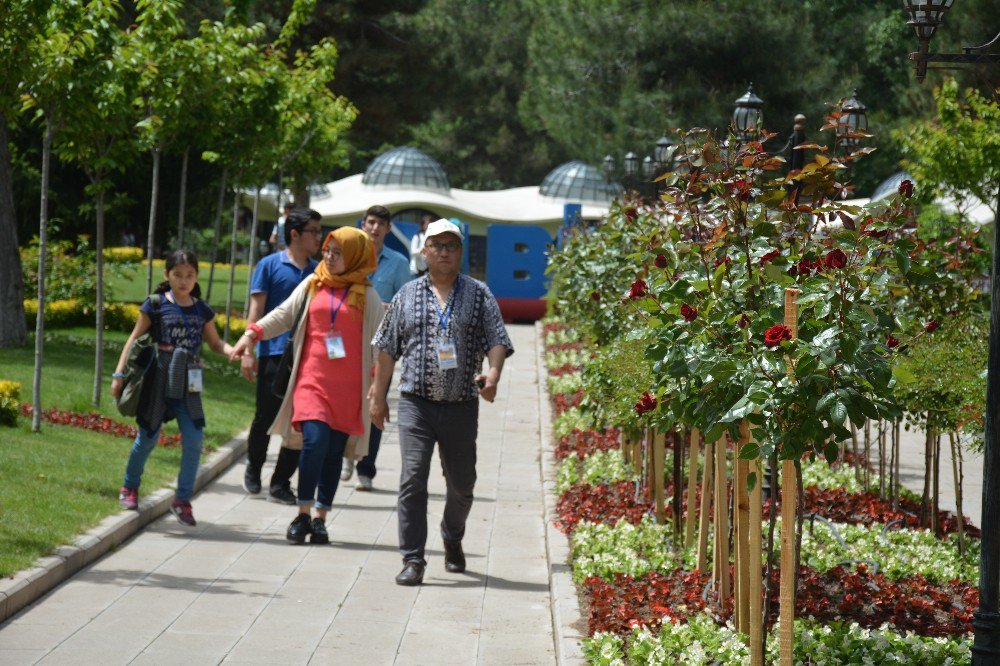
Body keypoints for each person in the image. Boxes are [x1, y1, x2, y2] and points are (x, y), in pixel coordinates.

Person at [370, 219, 514, 585]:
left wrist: (493, 376)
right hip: (416, 404)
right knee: (413, 479)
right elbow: (386, 348)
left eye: (452, 245)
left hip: (462, 404)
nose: (445, 251)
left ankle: (452, 535)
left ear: (461, 252)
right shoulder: (407, 294)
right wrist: (377, 397)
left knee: (462, 484)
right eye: (438, 245)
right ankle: (413, 559)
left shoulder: (479, 294)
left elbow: (497, 338)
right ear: (425, 251)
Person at [231, 227, 384, 545]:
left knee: (332, 452)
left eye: (337, 251)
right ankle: (302, 514)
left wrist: (377, 386)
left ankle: (320, 518)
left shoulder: (367, 295)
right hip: (311, 382)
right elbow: (283, 314)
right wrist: (251, 334)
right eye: (327, 249)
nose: (328, 255)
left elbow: (380, 343)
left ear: (354, 255)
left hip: (348, 390)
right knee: (313, 442)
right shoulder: (313, 284)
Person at [112, 250, 235, 527]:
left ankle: (182, 500)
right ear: (166, 275)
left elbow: (215, 343)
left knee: (194, 440)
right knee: (148, 437)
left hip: (189, 382)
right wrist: (119, 375)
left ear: (196, 277)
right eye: (177, 274)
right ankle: (129, 487)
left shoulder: (201, 309)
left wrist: (232, 351)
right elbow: (134, 338)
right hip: (158, 378)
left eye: (189, 275)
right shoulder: (155, 304)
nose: (183, 280)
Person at [241, 208, 323, 504]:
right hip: (274, 354)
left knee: (300, 421)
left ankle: (280, 482)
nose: (319, 236)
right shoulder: (269, 265)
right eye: (313, 231)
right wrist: (248, 350)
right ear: (294, 234)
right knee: (265, 416)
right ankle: (254, 467)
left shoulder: (319, 271)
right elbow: (256, 311)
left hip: (307, 358)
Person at [341, 205, 412, 490]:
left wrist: (385, 307)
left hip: (380, 347)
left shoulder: (397, 262)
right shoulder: (348, 257)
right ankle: (346, 453)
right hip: (346, 343)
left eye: (381, 224)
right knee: (346, 403)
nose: (374, 228)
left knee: (375, 404)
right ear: (363, 224)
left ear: (387, 229)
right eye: (371, 222)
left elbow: (405, 302)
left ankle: (366, 468)